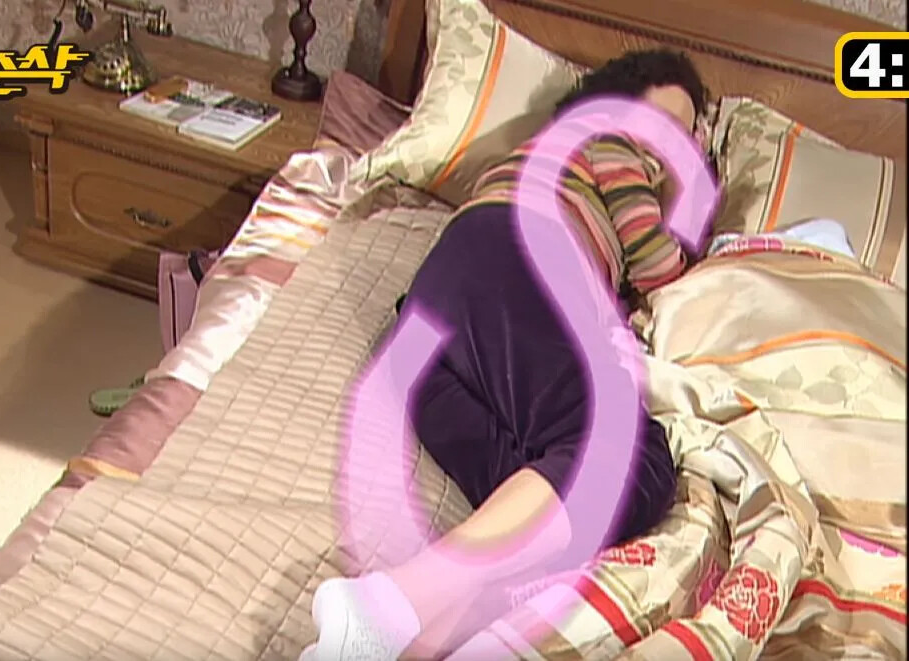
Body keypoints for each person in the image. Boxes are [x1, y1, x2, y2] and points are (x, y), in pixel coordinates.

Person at [301, 49, 712, 661]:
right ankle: (387, 602)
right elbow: (660, 268)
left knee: (540, 515)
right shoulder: (609, 138)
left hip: (430, 340)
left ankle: (383, 644)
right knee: (633, 457)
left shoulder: (544, 158)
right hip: (520, 252)